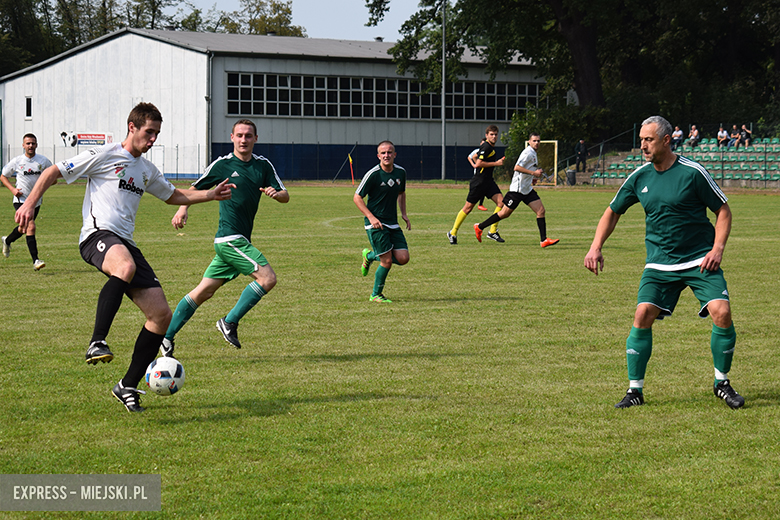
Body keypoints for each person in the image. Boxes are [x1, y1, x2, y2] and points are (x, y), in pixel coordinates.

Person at [14, 102, 234, 412]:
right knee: (126, 265)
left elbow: (173, 196)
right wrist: (27, 204)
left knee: (161, 315)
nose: (153, 139)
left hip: (125, 242)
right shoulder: (104, 155)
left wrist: (210, 195)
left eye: (157, 133)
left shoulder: (146, 170)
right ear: (132, 127)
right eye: (149, 132)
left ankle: (127, 385)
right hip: (96, 235)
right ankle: (97, 341)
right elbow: (53, 171)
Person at [583, 115, 743, 410]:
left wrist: (717, 248)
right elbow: (612, 211)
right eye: (641, 139)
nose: (643, 145)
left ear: (667, 140)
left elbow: (723, 210)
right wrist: (596, 247)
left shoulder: (692, 172)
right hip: (659, 263)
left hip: (699, 259)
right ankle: (635, 391)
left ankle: (722, 383)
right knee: (642, 314)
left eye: (649, 140)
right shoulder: (639, 177)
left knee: (722, 312)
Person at [161, 119, 288, 356]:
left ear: (255, 139)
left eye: (248, 136)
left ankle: (165, 337)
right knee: (267, 279)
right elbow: (194, 188)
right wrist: (182, 208)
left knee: (203, 292)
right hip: (230, 239)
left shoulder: (263, 166)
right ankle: (229, 322)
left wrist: (276, 193)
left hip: (239, 240)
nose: (243, 140)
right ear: (232, 137)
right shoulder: (222, 165)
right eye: (239, 135)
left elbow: (285, 196)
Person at [474, 133, 560, 248]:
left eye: (538, 141)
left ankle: (543, 240)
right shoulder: (527, 153)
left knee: (541, 211)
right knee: (504, 213)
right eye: (534, 141)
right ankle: (479, 227)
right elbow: (517, 168)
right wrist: (534, 173)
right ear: (529, 142)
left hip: (527, 189)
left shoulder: (533, 153)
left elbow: (528, 169)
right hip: (517, 190)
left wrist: (532, 178)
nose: (537, 143)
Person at [355, 141, 411, 303]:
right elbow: (357, 197)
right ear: (378, 156)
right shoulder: (373, 174)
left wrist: (404, 214)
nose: (387, 155)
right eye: (383, 153)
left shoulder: (401, 172)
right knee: (386, 261)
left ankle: (370, 256)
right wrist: (372, 217)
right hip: (375, 224)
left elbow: (401, 193)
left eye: (389, 152)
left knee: (403, 258)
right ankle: (375, 295)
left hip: (392, 222)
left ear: (395, 154)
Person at [1, 134, 53, 270]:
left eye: (33, 143)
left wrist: (42, 187)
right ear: (23, 145)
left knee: (23, 229)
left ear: (37, 145)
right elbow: (3, 176)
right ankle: (36, 260)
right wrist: (13, 189)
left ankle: (7, 240)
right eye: (28, 143)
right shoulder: (17, 161)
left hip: (36, 201)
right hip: (21, 200)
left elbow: (54, 179)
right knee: (31, 226)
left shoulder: (43, 161)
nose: (31, 146)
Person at [447, 125, 506, 244]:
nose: (494, 137)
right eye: (491, 134)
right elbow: (478, 163)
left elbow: (475, 156)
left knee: (501, 203)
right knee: (467, 208)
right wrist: (496, 163)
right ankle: (452, 232)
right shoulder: (486, 146)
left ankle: (492, 231)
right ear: (487, 135)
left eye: (495, 134)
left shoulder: (489, 147)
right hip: (479, 182)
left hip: (488, 181)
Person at [468, 145, 488, 211]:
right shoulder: (478, 151)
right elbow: (471, 157)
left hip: (485, 175)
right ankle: (476, 203)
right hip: (478, 174)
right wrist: (475, 165)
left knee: (483, 189)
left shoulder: (488, 150)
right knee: (478, 189)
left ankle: (480, 204)